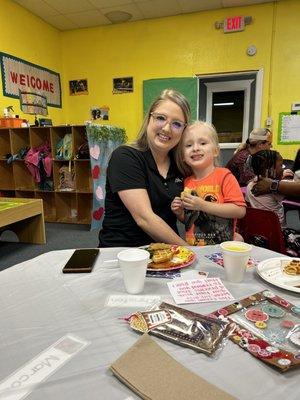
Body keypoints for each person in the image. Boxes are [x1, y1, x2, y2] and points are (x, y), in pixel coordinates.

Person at [98, 89, 191, 247]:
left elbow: (193, 212)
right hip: (124, 252)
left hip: (166, 251)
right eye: (161, 118)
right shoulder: (125, 157)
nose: (167, 128)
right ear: (149, 119)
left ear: (183, 130)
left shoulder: (181, 165)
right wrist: (190, 251)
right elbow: (144, 218)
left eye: (176, 124)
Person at [171, 121, 246, 246]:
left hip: (221, 248)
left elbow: (239, 210)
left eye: (203, 143)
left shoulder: (224, 176)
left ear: (215, 151)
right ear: (183, 156)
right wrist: (180, 213)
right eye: (189, 145)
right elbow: (190, 221)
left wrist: (202, 205)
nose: (195, 148)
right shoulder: (187, 182)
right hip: (195, 248)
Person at [247, 150, 299, 256]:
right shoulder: (274, 190)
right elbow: (291, 190)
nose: (283, 168)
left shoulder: (250, 186)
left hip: (258, 233)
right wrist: (283, 181)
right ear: (270, 169)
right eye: (281, 166)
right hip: (279, 233)